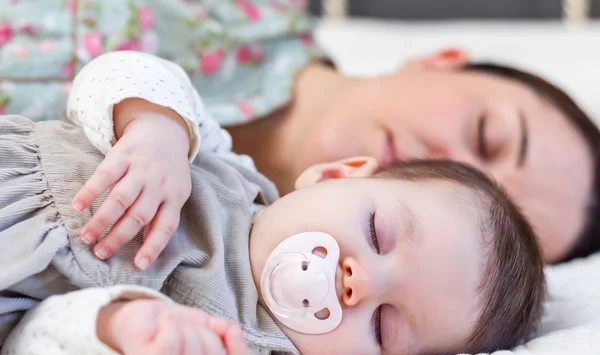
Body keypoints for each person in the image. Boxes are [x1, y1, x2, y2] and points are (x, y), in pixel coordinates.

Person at [0, 53, 545, 355]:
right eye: (377, 234)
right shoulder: (218, 162)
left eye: (383, 326)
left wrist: (119, 331)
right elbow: (117, 72)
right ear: (334, 176)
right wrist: (154, 127)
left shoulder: (238, 354)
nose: (361, 283)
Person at [1, 1, 597, 263]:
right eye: (487, 136)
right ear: (441, 59)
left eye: (480, 214)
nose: (448, 173)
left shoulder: (222, 282)